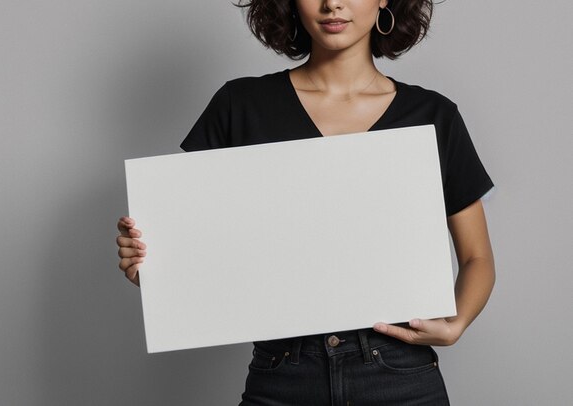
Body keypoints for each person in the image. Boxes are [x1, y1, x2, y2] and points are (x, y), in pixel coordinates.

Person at [116, 0, 496, 404]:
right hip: (283, 376)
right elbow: (191, 247)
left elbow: (477, 258)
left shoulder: (433, 115)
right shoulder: (240, 105)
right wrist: (150, 269)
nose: (333, 3)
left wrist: (456, 325)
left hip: (399, 375)